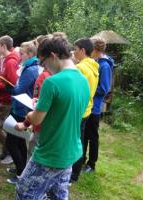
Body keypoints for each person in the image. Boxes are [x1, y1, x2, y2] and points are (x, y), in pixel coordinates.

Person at [14, 36, 90, 200]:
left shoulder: (52, 82)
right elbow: (70, 111)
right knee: (58, 195)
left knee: (24, 193)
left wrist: (29, 113)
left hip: (51, 153)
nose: (44, 67)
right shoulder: (83, 80)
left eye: (43, 62)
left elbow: (36, 120)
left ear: (53, 55)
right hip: (70, 150)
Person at [5, 40, 39, 184]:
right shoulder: (28, 66)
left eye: (22, 53)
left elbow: (19, 89)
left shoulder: (31, 69)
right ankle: (22, 168)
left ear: (30, 54)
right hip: (21, 107)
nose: (19, 56)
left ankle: (20, 174)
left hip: (22, 108)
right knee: (19, 142)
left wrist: (6, 87)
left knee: (12, 142)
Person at [82, 38, 114, 173]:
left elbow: (104, 88)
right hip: (88, 105)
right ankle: (81, 159)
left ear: (96, 50)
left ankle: (91, 164)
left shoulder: (104, 66)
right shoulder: (97, 62)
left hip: (95, 108)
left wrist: (89, 90)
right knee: (84, 136)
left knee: (92, 137)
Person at [70, 38, 99, 183]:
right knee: (79, 141)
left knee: (76, 143)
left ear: (82, 50)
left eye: (75, 49)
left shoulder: (81, 68)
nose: (73, 52)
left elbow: (74, 92)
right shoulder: (93, 66)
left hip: (79, 111)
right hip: (87, 109)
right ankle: (75, 172)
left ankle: (73, 175)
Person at [0, 35, 20, 165]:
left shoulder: (10, 62)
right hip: (2, 98)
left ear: (3, 46)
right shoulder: (5, 59)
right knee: (2, 126)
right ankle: (5, 152)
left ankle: (9, 152)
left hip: (6, 100)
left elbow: (12, 84)